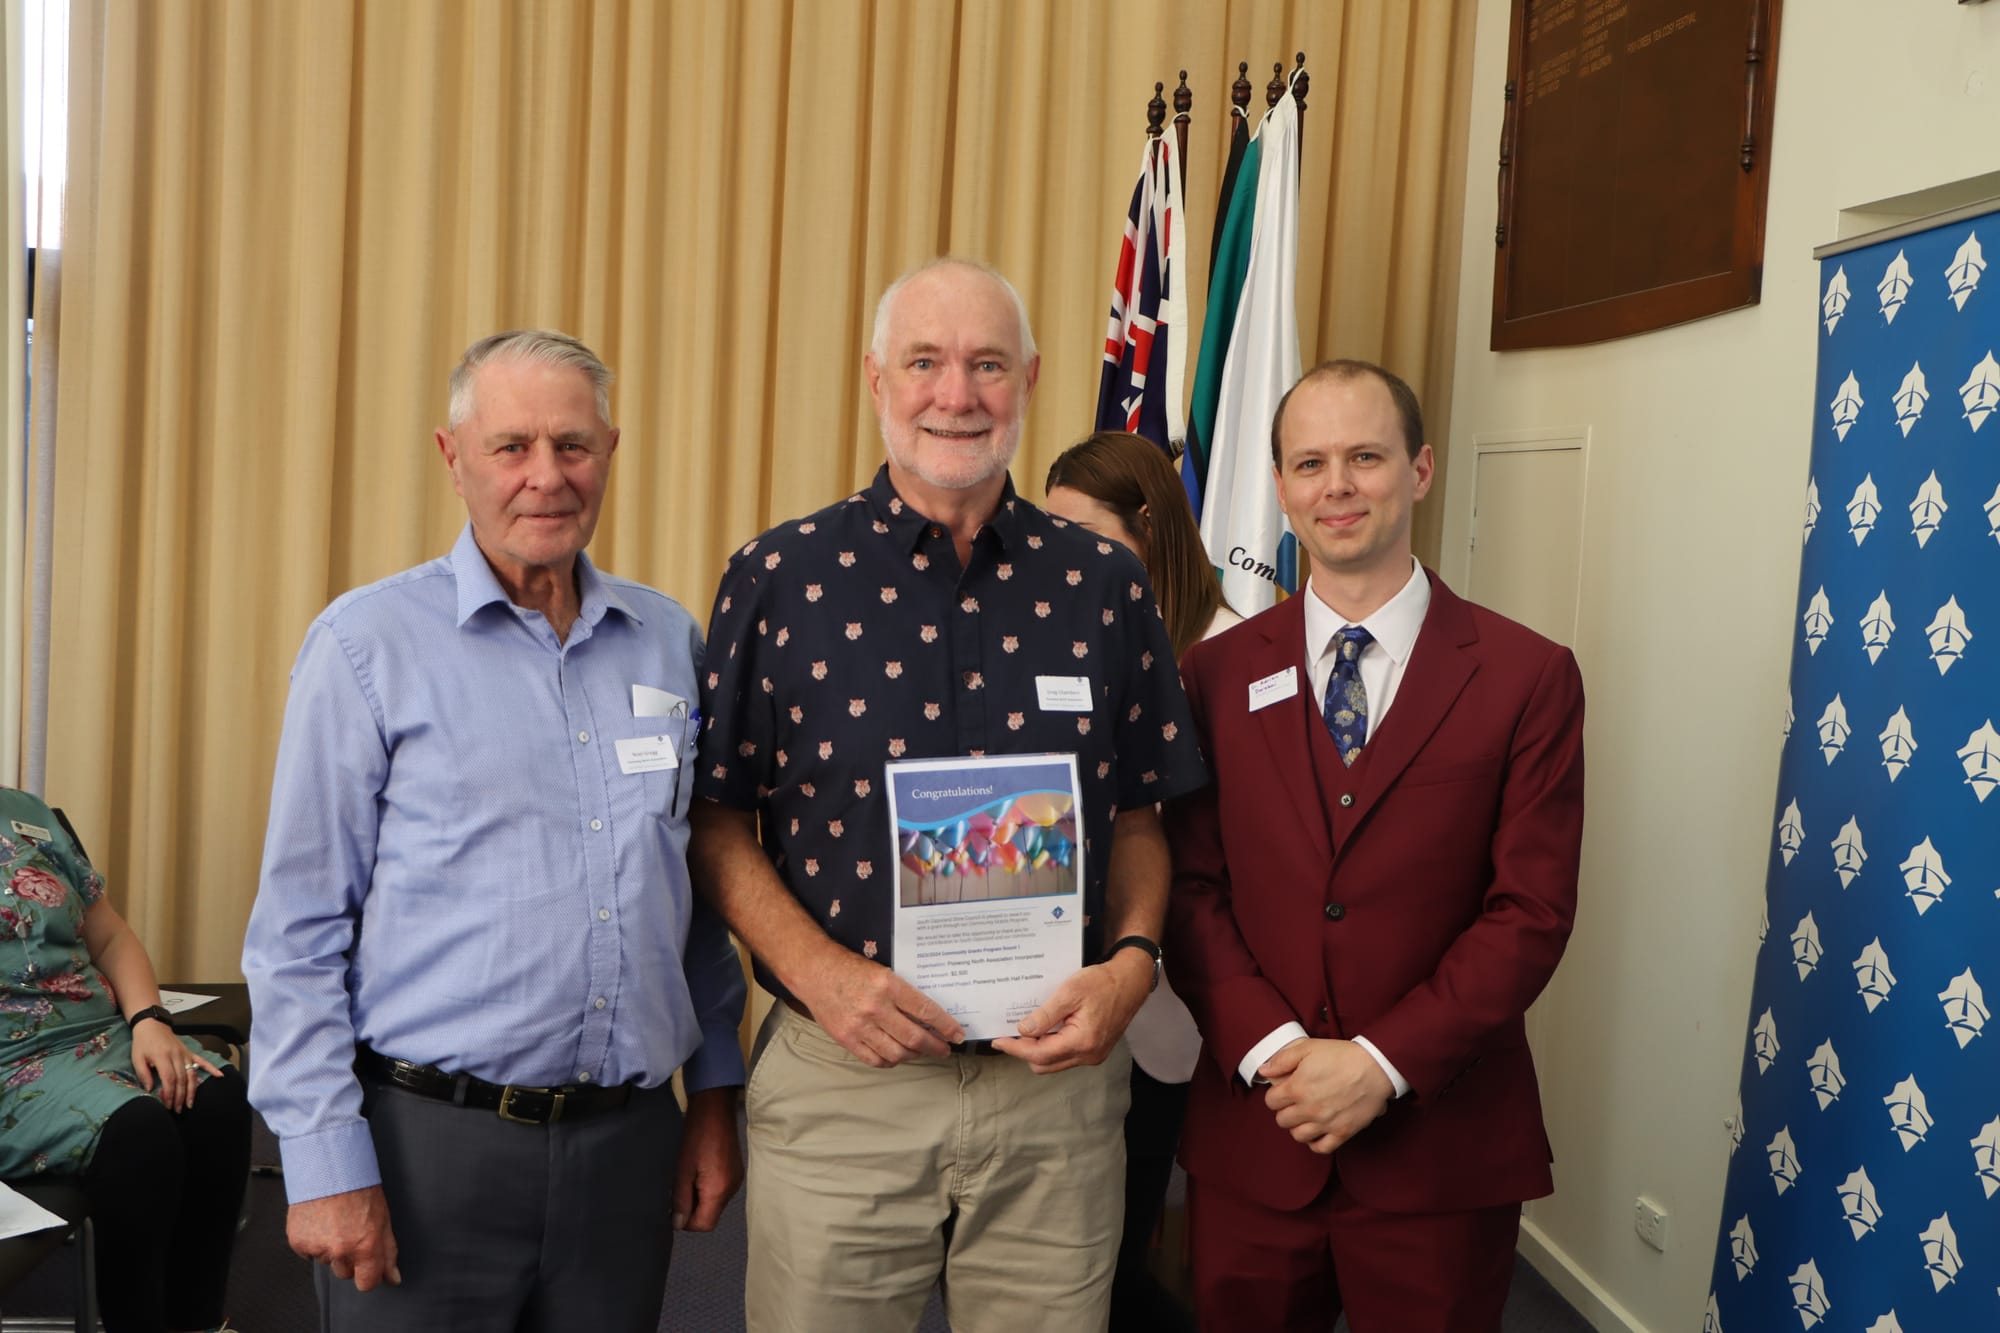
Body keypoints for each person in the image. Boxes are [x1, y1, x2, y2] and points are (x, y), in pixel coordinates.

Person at [689, 258, 1208, 1333]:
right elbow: (717, 821)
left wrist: (1131, 964)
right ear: (876, 378)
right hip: (846, 1082)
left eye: (986, 365)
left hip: (1055, 1096)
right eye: (924, 362)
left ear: (1029, 379)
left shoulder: (1103, 585)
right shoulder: (779, 578)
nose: (956, 394)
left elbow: (1140, 815)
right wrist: (819, 973)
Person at [242, 330, 747, 1333]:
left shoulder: (669, 641)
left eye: (573, 445)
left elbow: (690, 897)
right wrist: (326, 1161)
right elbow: (297, 935)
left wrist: (714, 1096)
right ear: (453, 456)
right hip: (425, 1150)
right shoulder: (364, 646)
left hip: (625, 1152)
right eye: (512, 446)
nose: (546, 476)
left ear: (610, 451)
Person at [1164, 359, 1585, 1332]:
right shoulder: (1212, 674)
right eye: (1310, 463)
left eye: (1365, 456)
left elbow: (1529, 913)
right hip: (1259, 1132)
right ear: (1279, 487)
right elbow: (1188, 888)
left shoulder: (1526, 676)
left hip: (1442, 1146)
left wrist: (1378, 1063)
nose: (1337, 486)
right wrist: (1277, 1052)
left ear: (1420, 469)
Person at [1043, 429, 1237, 1333]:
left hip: (1195, 996)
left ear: (1148, 529)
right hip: (1088, 987)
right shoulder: (1068, 638)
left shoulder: (1231, 657)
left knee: (1148, 1249)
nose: (1060, 557)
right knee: (1087, 1248)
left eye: (1082, 534)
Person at [0, 787, 250, 1333]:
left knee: (214, 1096)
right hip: (10, 1066)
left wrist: (149, 1022)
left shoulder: (25, 813)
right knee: (138, 1133)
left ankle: (197, 1323)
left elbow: (110, 935)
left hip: (95, 1031)